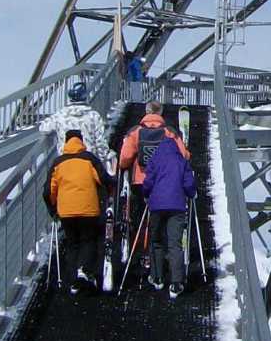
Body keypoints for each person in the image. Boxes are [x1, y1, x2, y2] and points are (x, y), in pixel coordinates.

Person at [42, 80, 112, 281]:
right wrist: (106, 159)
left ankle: (72, 277)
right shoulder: (93, 116)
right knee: (90, 227)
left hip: (65, 167)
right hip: (89, 165)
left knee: (72, 238)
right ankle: (88, 267)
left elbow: (43, 128)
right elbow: (100, 142)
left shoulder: (60, 115)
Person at [117, 101, 189, 288]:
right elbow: (183, 156)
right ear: (161, 113)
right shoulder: (170, 133)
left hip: (141, 182)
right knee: (166, 227)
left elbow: (124, 158)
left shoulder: (135, 131)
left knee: (142, 219)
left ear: (146, 112)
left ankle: (144, 254)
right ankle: (168, 263)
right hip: (165, 184)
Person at [45, 131, 110, 294]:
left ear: (66, 142)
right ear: (81, 141)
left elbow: (48, 191)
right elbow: (104, 179)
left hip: (66, 211)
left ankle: (73, 280)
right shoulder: (89, 159)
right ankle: (85, 270)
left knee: (72, 243)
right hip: (88, 208)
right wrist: (107, 195)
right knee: (89, 240)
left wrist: (53, 209)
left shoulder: (57, 163)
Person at [140, 134, 196, 298]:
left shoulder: (154, 160)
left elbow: (148, 182)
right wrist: (191, 194)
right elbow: (189, 184)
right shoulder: (181, 161)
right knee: (174, 243)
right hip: (177, 206)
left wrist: (146, 194)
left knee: (156, 240)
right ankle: (176, 282)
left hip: (156, 205)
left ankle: (157, 277)